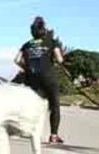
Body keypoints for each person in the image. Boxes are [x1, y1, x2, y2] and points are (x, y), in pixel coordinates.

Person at [14, 16, 65, 144]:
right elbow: (59, 59)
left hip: (33, 78)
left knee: (33, 105)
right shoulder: (52, 42)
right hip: (49, 77)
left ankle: (25, 130)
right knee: (54, 106)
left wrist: (26, 67)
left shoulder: (26, 44)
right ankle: (53, 136)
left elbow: (16, 60)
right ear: (44, 30)